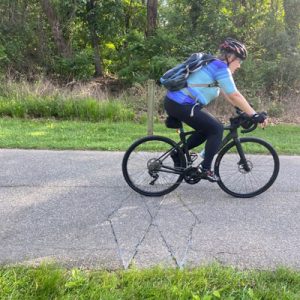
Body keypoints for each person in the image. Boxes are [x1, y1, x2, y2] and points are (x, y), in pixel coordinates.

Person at [164, 38, 268, 182]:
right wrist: (254, 114)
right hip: (181, 103)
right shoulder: (220, 67)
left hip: (177, 102)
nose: (239, 66)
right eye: (239, 61)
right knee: (216, 128)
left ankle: (178, 154)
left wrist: (245, 111)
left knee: (207, 129)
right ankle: (205, 169)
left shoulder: (215, 66)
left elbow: (230, 97)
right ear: (230, 57)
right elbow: (235, 94)